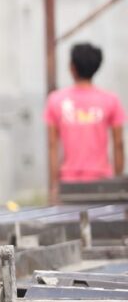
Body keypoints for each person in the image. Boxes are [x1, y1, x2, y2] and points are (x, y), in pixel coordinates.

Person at [45, 42, 124, 203]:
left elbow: (52, 145)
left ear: (72, 67)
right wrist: (118, 182)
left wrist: (54, 185)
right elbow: (118, 144)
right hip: (103, 180)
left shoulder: (56, 100)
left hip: (68, 181)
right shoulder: (111, 100)